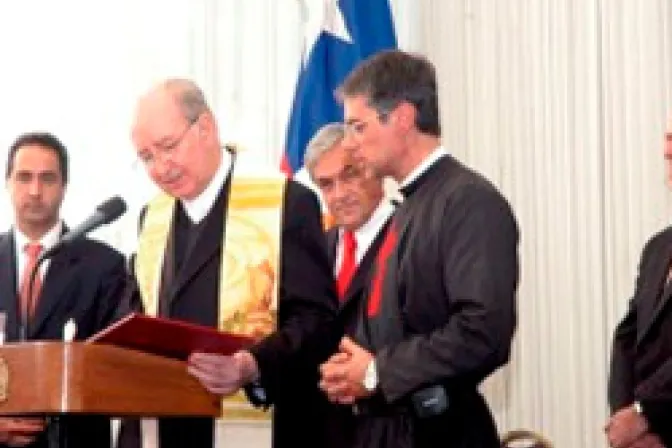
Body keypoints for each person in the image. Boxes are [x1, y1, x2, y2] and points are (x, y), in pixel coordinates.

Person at [116, 79, 338, 448]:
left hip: (265, 420)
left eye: (168, 147)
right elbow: (141, 316)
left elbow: (318, 322)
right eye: (147, 157)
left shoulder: (285, 204)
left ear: (206, 127)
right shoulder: (151, 220)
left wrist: (252, 365)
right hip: (169, 422)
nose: (160, 167)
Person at [319, 50, 520, 448]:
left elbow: (484, 331)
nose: (351, 145)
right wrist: (351, 369)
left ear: (403, 117)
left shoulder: (469, 201)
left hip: (442, 435)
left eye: (358, 127)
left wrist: (377, 371)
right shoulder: (405, 208)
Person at [0, 132, 127, 448]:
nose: (35, 190)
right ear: (7, 183)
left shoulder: (104, 266)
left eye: (48, 179)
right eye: (24, 177)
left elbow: (115, 366)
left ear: (64, 187)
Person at [304, 122, 394, 448]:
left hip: (399, 427)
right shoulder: (315, 249)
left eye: (350, 175)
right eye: (326, 185)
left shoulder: (410, 234)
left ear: (375, 168)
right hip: (330, 431)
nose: (339, 194)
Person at [605, 125, 672, 448]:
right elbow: (627, 336)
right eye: (667, 138)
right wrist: (624, 417)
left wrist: (645, 413)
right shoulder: (657, 248)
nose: (667, 150)